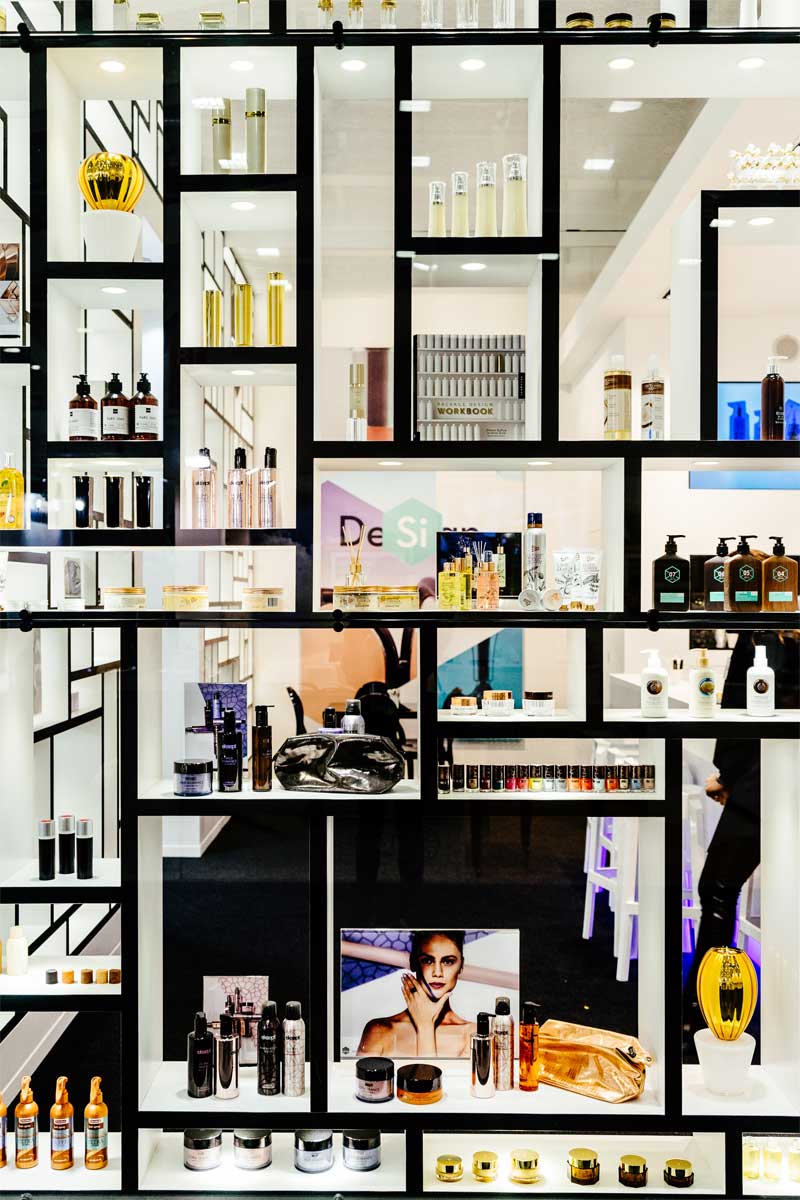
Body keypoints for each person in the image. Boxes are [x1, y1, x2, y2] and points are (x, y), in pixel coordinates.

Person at [683, 631, 799, 1049]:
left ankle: (704, 1012)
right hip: (778, 778)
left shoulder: (762, 634)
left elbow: (741, 708)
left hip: (763, 783)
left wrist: (728, 776)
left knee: (717, 889)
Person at [357, 930, 476, 1057]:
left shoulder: (473, 1034)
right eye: (427, 961)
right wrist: (425, 1024)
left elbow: (426, 1070)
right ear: (413, 962)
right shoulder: (379, 1030)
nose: (437, 973)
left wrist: (425, 1026)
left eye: (448, 962)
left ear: (461, 965)